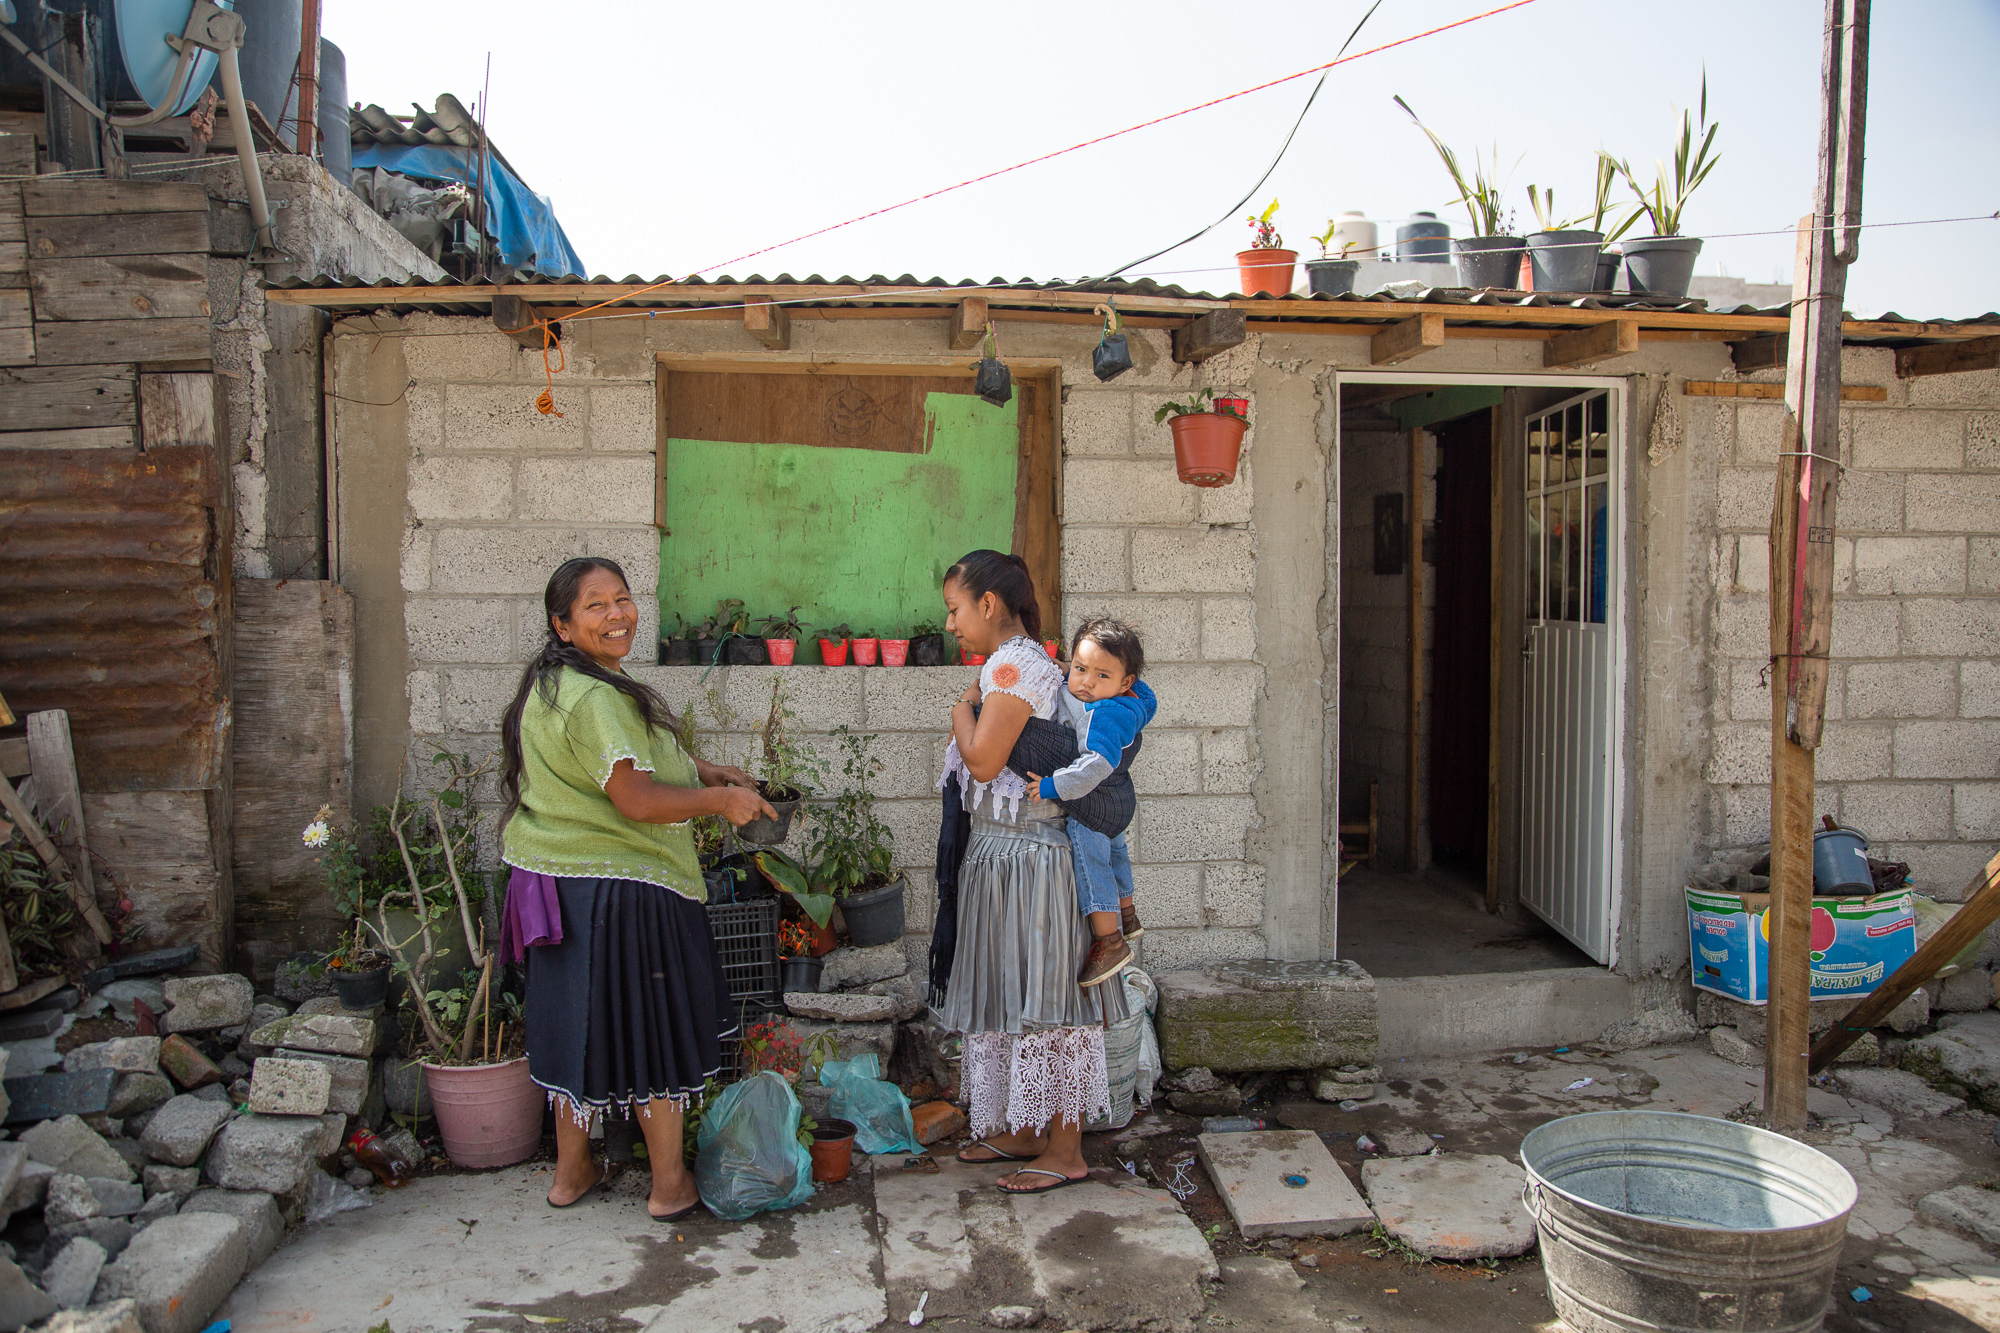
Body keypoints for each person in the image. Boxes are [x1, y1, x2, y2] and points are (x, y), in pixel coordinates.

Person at [498, 556, 775, 1219]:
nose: (618, 614)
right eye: (596, 606)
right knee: (651, 1033)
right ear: (561, 624)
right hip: (625, 889)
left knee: (574, 1028)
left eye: (622, 598)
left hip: (560, 886)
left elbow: (619, 763)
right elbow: (635, 798)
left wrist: (707, 766)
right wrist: (718, 800)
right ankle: (669, 1183)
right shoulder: (597, 697)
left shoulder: (556, 682)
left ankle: (571, 1171)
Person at [934, 550, 1128, 1195]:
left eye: (955, 610)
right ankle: (1025, 1125)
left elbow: (984, 761)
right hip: (1005, 856)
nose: (953, 624)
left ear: (988, 605)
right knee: (1010, 993)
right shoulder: (1014, 666)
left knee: (1050, 998)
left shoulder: (1011, 666)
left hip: (1032, 860)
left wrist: (961, 710)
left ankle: (1067, 1147)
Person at [1031, 617, 1156, 987]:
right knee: (1115, 849)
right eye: (1081, 668)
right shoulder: (1131, 697)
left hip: (1093, 804)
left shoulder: (1103, 715)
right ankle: (1128, 915)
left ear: (1124, 683)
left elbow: (1095, 765)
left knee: (1092, 862)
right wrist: (1068, 667)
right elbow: (1136, 687)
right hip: (1118, 802)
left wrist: (1054, 786)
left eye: (1102, 676)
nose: (1085, 682)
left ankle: (1111, 941)